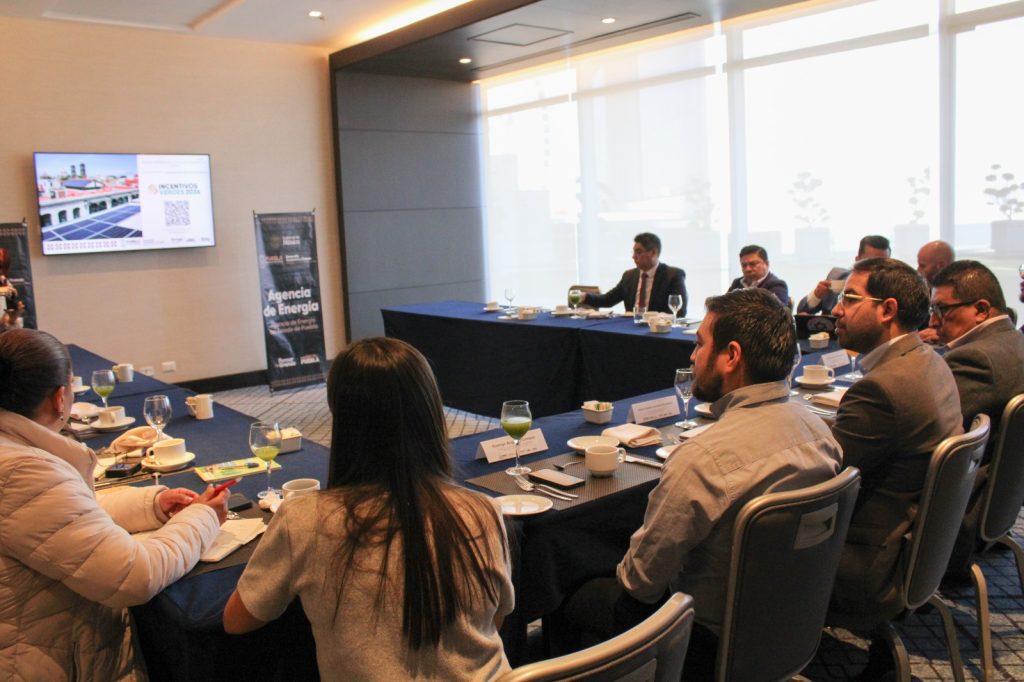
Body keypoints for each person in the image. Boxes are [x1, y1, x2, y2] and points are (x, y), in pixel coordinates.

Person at [560, 288, 842, 680]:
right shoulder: (820, 431)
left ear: (731, 356)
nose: (692, 357)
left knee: (572, 595)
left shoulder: (703, 459)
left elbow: (641, 583)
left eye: (699, 344)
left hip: (706, 641)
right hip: (789, 618)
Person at [223, 337, 514, 681]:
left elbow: (237, 620)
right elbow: (494, 620)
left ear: (342, 418)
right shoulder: (483, 510)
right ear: (431, 412)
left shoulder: (302, 519)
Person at [0, 328, 227, 681]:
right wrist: (204, 518)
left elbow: (62, 517)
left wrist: (152, 504)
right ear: (60, 398)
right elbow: (135, 575)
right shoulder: (24, 471)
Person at [826, 258, 963, 678]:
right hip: (915, 552)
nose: (836, 310)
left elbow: (818, 477)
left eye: (850, 298)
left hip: (866, 565)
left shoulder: (883, 389)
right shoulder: (930, 361)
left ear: (887, 310)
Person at [926, 261, 1024, 577]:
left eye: (942, 310)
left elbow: (923, 435)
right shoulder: (1015, 341)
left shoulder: (977, 360)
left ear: (980, 309)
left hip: (954, 525)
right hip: (997, 507)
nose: (933, 321)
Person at [581, 232, 687, 315]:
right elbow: (608, 300)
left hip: (657, 329)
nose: (633, 257)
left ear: (653, 253)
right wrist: (584, 296)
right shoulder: (629, 276)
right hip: (630, 327)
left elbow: (679, 311)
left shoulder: (673, 275)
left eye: (639, 252)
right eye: (634, 252)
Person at [797, 235, 890, 315]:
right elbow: (802, 311)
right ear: (857, 260)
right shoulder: (838, 277)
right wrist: (816, 295)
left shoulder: (891, 287)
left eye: (882, 263)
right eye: (870, 263)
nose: (876, 268)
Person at [916, 240, 955, 344]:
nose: (918, 270)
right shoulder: (922, 294)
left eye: (922, 266)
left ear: (941, 265)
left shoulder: (966, 294)